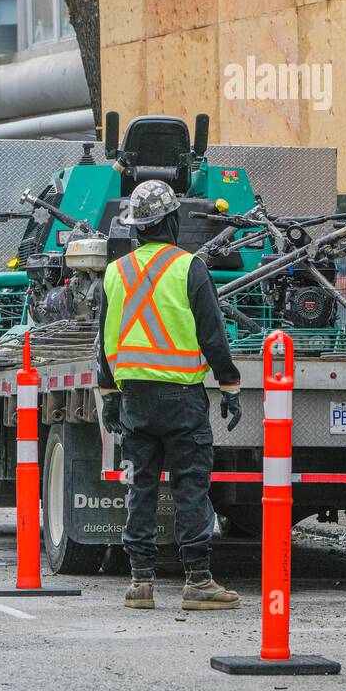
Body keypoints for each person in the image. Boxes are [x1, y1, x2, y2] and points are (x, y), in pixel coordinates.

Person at [97, 179, 243, 612]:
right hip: (182, 397)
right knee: (190, 486)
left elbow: (104, 341)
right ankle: (197, 579)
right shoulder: (189, 268)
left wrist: (108, 395)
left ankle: (141, 581)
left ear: (136, 228)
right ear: (173, 221)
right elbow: (213, 335)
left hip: (135, 398)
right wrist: (229, 386)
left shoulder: (115, 272)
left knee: (141, 486)